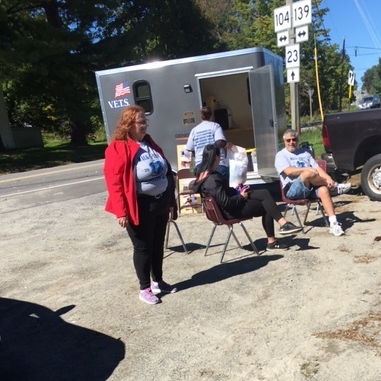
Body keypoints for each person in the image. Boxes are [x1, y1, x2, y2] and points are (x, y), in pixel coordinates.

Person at [103, 105, 178, 305]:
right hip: (139, 205)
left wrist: (170, 201)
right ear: (128, 124)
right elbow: (114, 182)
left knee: (158, 244)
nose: (144, 125)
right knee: (143, 247)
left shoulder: (148, 143)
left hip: (160, 203)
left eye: (145, 121)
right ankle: (144, 288)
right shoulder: (118, 147)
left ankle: (158, 281)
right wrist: (121, 211)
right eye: (140, 122)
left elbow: (166, 171)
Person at [191, 144, 303, 250]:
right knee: (267, 205)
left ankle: (283, 224)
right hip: (230, 211)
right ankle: (273, 240)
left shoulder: (203, 176)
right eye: (220, 156)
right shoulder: (212, 180)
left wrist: (237, 190)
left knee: (264, 193)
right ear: (216, 157)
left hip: (228, 206)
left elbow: (223, 194)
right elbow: (226, 202)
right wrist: (241, 197)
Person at [275, 128, 352, 237]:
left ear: (297, 140)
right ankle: (335, 187)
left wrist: (328, 179)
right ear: (284, 142)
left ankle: (334, 224)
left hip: (310, 187)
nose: (291, 142)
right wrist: (307, 169)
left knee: (323, 190)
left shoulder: (305, 153)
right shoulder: (281, 155)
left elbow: (318, 169)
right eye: (288, 140)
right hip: (292, 190)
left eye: (294, 139)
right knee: (307, 173)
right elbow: (288, 171)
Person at [186, 106, 229, 179]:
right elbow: (219, 142)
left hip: (201, 165)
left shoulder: (194, 130)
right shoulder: (215, 126)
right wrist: (227, 144)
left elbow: (189, 148)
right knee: (222, 184)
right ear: (211, 116)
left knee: (205, 185)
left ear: (201, 117)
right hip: (218, 164)